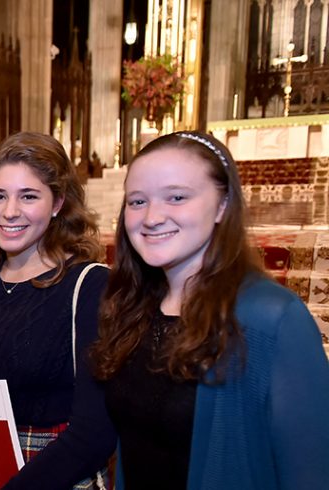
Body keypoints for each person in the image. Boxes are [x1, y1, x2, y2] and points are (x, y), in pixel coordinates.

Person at [91, 131, 329, 489]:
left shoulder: (273, 319)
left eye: (177, 197)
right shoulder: (132, 309)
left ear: (222, 204)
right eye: (137, 201)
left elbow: (311, 473)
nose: (152, 217)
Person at [0, 132, 116, 490]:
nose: (10, 212)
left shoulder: (91, 286)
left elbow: (95, 431)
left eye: (28, 196)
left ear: (58, 202)